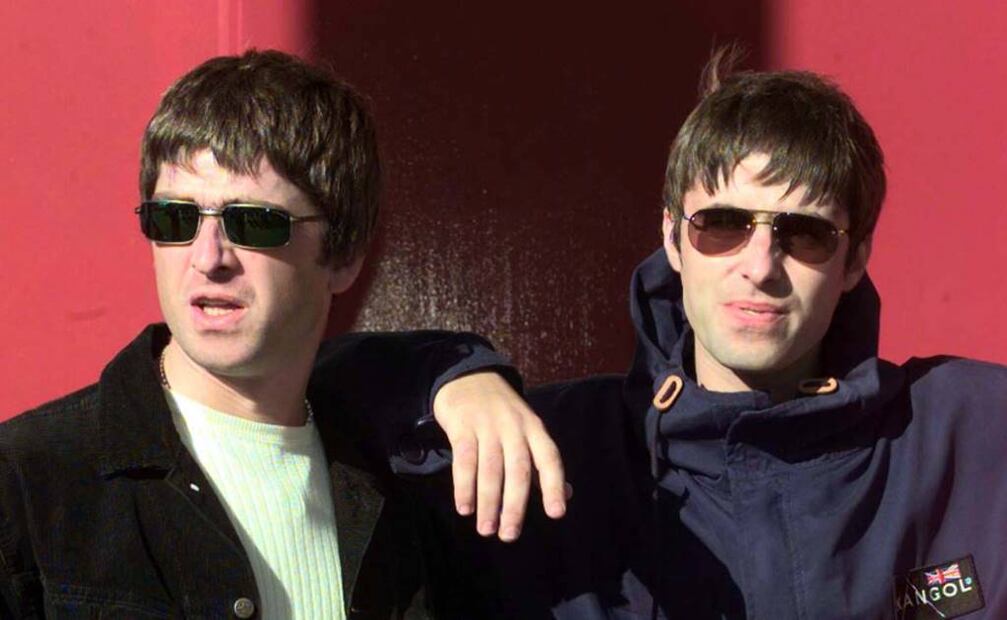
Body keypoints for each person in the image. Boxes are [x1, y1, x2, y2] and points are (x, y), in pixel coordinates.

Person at [393, 48, 1007, 618]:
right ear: (672, 237)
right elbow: (336, 418)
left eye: (805, 234)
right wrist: (447, 377)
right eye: (722, 225)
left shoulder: (968, 431)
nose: (760, 266)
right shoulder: (553, 449)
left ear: (854, 262)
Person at [0, 49, 562, 619]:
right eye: (175, 218)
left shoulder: (408, 494)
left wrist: (463, 373)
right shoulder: (26, 484)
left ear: (343, 256)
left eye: (253, 222)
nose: (207, 258)